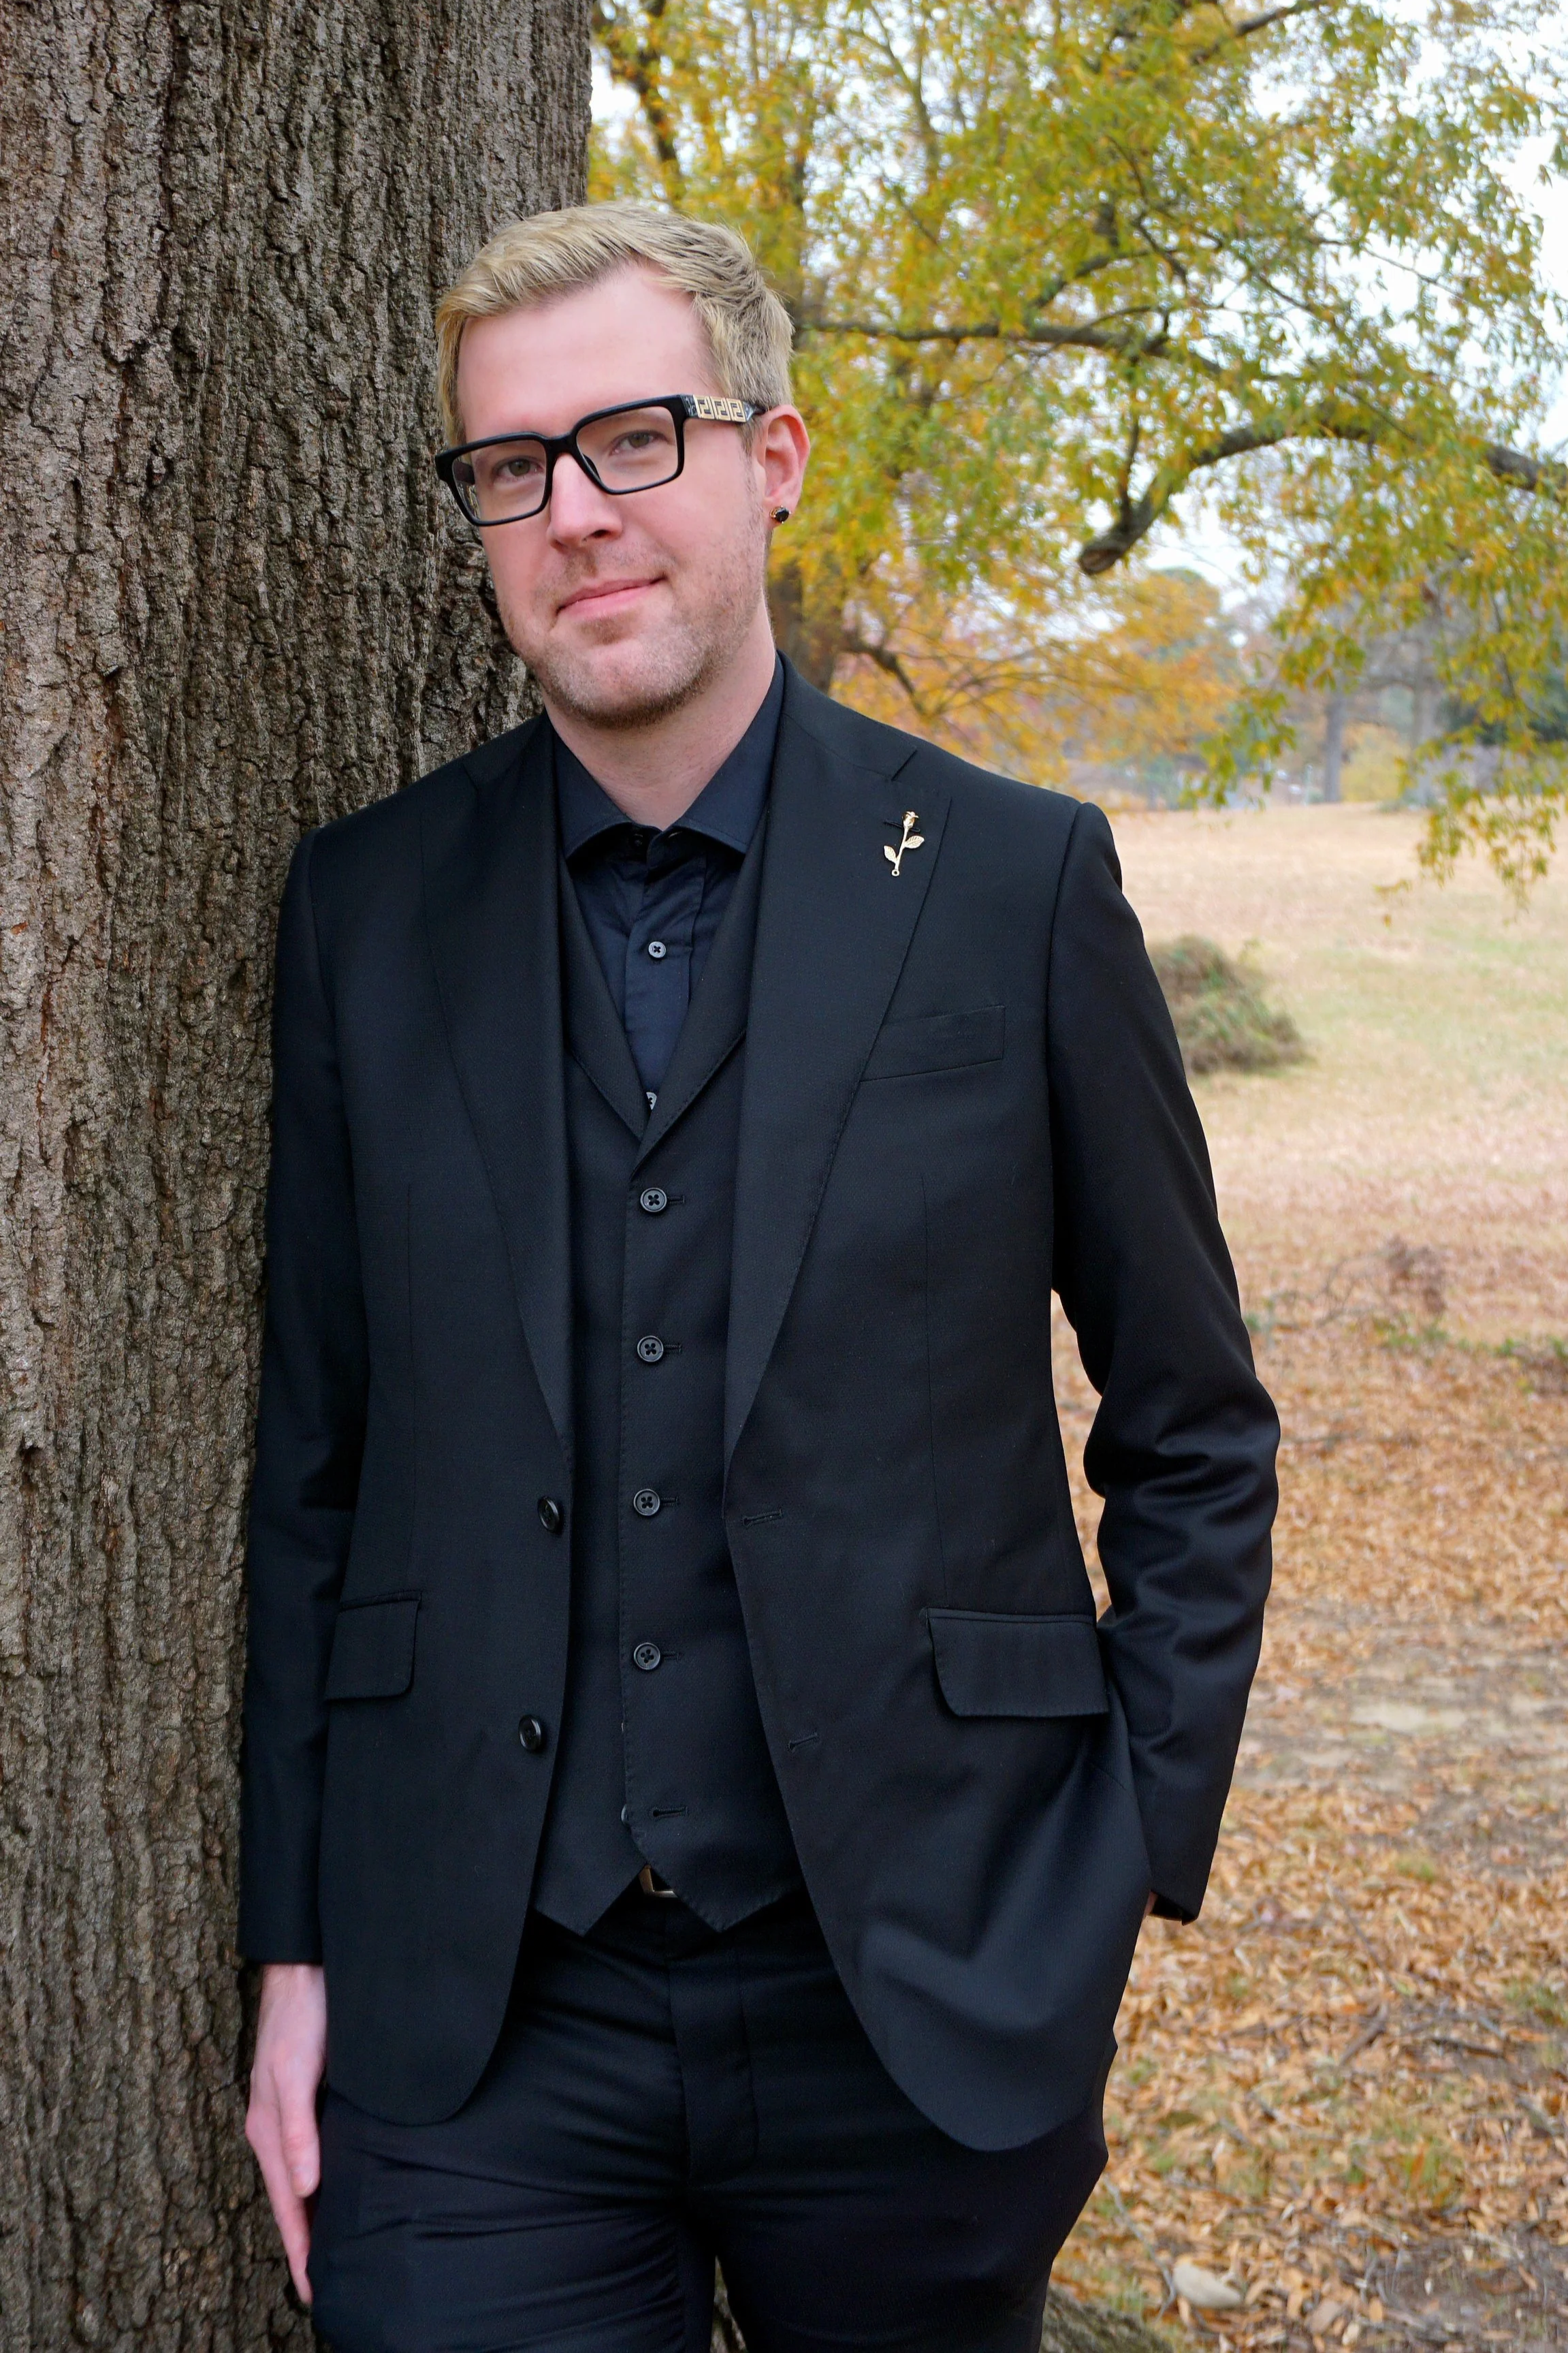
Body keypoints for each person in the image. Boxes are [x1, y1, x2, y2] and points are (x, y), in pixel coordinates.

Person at [238, 202, 1278, 2353]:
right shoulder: (364, 912)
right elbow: (311, 1471)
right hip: (475, 2028)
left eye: (633, 438)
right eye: (511, 466)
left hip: (921, 1997)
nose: (576, 514)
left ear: (770, 455)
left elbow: (1190, 1423)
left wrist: (1112, 1864)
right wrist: (298, 1946)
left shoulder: (1013, 882)